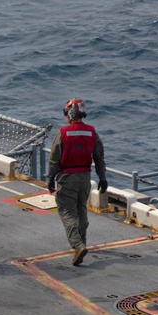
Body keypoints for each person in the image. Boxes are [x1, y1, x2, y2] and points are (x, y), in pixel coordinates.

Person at [46, 98, 107, 266]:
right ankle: (83, 243)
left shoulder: (63, 132)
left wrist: (50, 178)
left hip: (67, 178)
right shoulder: (92, 132)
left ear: (70, 113)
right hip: (85, 178)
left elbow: (54, 159)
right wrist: (102, 177)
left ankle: (78, 246)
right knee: (81, 210)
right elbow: (99, 157)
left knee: (67, 212)